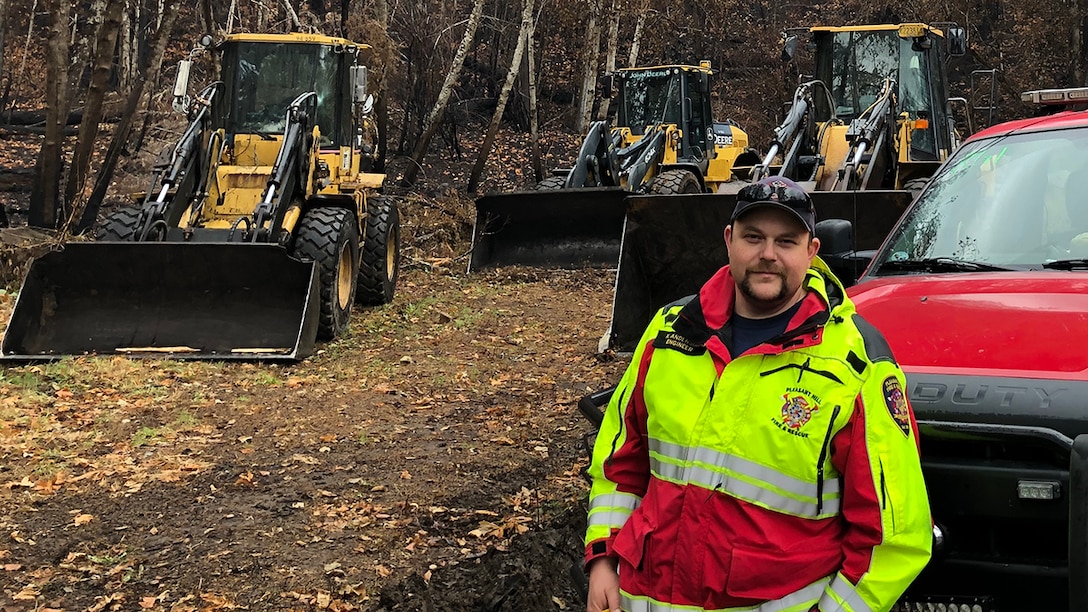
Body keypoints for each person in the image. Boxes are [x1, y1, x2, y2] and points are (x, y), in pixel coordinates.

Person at [583, 176, 932, 612]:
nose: (768, 255)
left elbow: (893, 539)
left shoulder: (856, 367)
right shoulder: (670, 333)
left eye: (786, 241)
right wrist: (603, 560)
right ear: (729, 241)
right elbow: (620, 463)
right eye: (754, 237)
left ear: (811, 252)